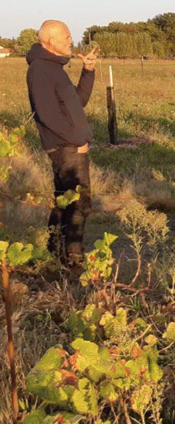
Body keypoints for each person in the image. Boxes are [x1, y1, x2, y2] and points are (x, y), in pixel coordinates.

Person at [26, 20, 99, 267]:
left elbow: (78, 102)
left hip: (69, 146)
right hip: (66, 148)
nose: (71, 40)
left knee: (63, 203)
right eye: (67, 36)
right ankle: (74, 261)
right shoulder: (40, 69)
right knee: (80, 204)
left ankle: (53, 253)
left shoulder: (55, 68)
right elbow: (47, 114)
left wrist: (88, 71)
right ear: (51, 41)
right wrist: (78, 140)